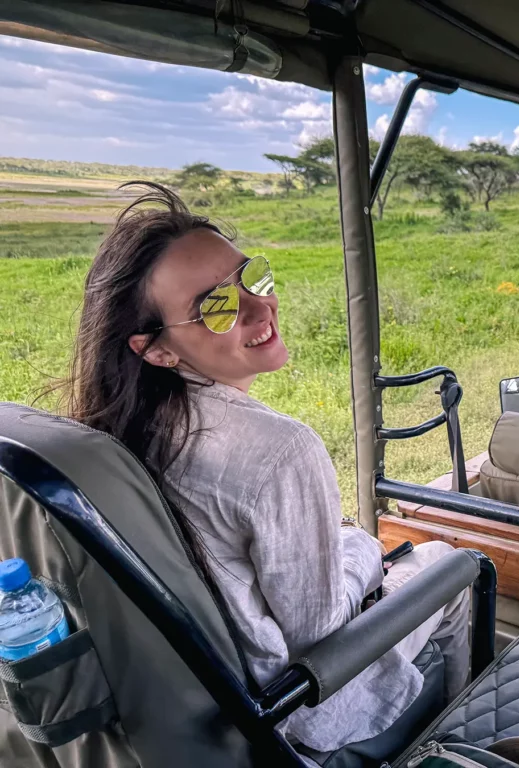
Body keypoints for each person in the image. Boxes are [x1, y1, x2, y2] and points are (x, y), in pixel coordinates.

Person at [61, 182, 470, 753]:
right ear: (156, 350)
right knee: (451, 564)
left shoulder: (113, 431)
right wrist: (359, 552)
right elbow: (319, 633)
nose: (260, 307)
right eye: (217, 306)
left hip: (199, 694)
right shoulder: (279, 452)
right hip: (291, 704)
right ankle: (453, 740)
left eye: (251, 276)